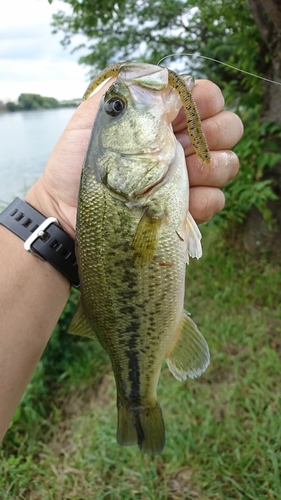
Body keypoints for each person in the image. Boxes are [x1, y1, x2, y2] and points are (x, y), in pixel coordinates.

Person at [0, 77, 243, 442]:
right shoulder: (129, 181)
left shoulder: (138, 180)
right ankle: (136, 400)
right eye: (117, 108)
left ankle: (136, 398)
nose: (124, 99)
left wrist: (50, 209)